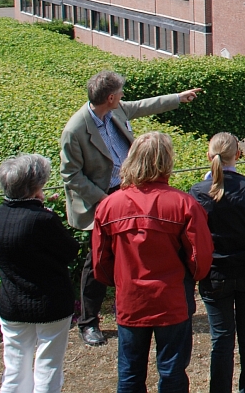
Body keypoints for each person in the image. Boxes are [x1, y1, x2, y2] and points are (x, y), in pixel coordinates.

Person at [59, 70, 201, 347]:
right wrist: (105, 201)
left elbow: (142, 106)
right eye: (121, 93)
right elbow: (71, 176)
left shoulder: (116, 110)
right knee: (96, 259)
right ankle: (88, 322)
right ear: (110, 97)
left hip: (128, 189)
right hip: (102, 199)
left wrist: (178, 98)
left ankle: (139, 305)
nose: (124, 97)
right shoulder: (75, 130)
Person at [93, 132, 213, 393]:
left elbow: (101, 263)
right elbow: (200, 260)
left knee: (129, 374)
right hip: (172, 299)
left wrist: (119, 281)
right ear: (167, 161)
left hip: (131, 300)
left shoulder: (109, 206)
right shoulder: (184, 205)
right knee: (171, 373)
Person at [190, 133, 245, 393]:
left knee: (221, 339)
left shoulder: (198, 192)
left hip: (215, 274)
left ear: (209, 156)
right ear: (238, 154)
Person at [0, 153, 79, 393]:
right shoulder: (43, 219)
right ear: (35, 187)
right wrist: (42, 208)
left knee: (15, 367)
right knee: (48, 366)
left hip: (12, 303)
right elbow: (70, 250)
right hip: (50, 303)